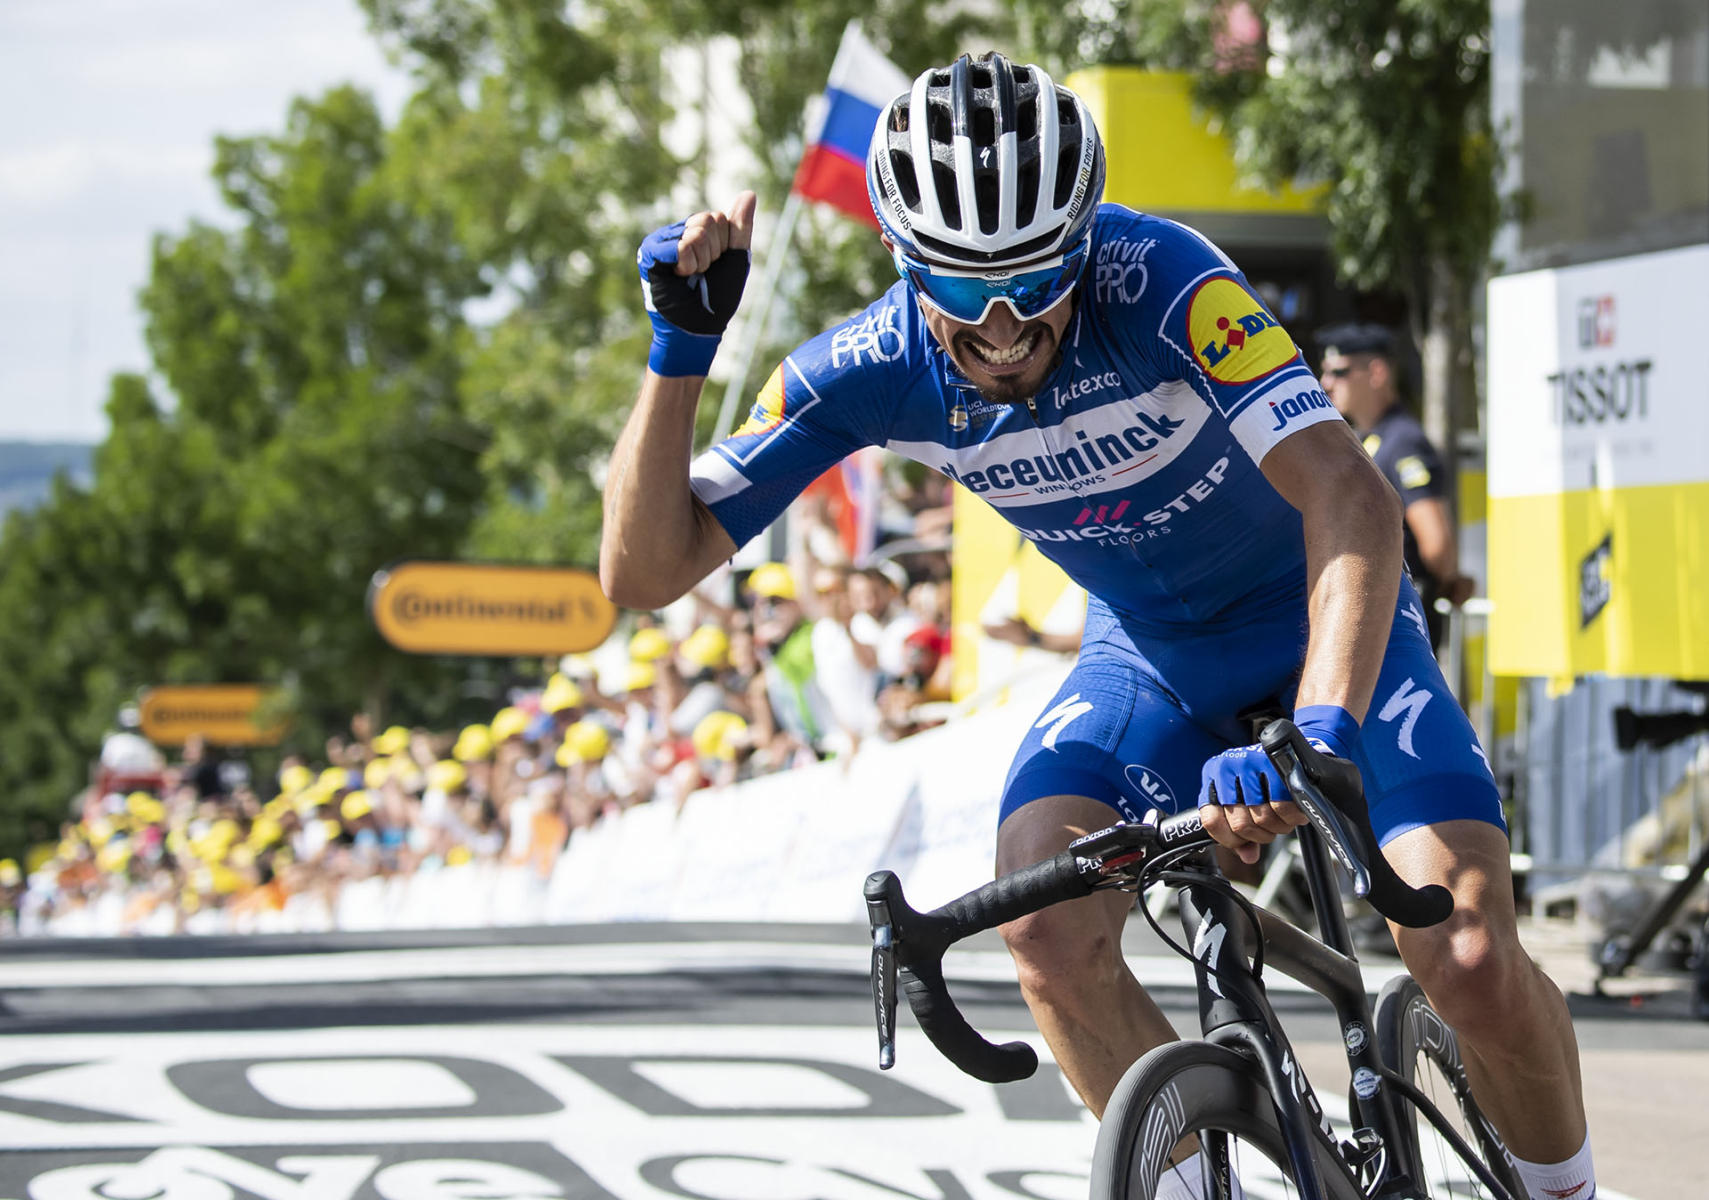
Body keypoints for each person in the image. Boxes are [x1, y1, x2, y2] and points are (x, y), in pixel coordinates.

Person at [600, 52, 1593, 1200]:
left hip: (1317, 621)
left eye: (1038, 278)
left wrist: (1318, 726)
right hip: (1151, 658)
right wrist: (679, 352)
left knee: (1466, 957)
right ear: (904, 263)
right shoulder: (869, 367)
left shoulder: (1160, 278)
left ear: (1083, 241)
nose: (1011, 324)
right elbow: (644, 570)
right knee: (1042, 927)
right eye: (970, 294)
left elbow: (1350, 497)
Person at [1317, 322, 1476, 652]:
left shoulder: (1404, 442)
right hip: (1372, 612)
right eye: (1325, 373)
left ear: (1376, 373)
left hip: (1399, 619)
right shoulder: (1368, 440)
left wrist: (1448, 580)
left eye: (1339, 372)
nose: (1326, 384)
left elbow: (1437, 545)